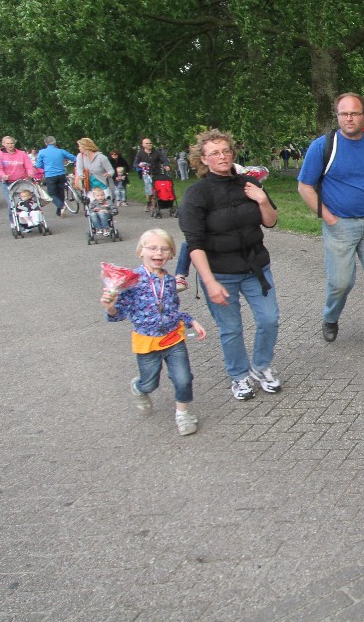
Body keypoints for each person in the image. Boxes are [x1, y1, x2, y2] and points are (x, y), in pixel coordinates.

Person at [180, 129, 282, 401]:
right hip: (220, 273)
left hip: (256, 267)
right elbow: (194, 244)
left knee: (269, 319)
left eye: (226, 151)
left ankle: (260, 366)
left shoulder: (249, 183)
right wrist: (209, 282)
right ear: (203, 159)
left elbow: (271, 221)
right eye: (215, 153)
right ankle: (238, 376)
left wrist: (262, 199)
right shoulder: (196, 194)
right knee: (231, 328)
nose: (222, 156)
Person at [297, 93, 364, 355]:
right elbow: (305, 186)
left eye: (354, 113)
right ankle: (330, 317)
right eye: (343, 114)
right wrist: (329, 218)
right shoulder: (323, 146)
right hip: (339, 226)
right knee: (341, 282)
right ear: (337, 116)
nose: (348, 118)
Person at [101, 228, 208, 436]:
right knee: (150, 382)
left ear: (171, 254)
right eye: (152, 248)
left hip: (173, 339)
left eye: (164, 249)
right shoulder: (130, 281)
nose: (158, 253)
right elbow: (118, 314)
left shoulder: (170, 281)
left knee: (184, 378)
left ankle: (182, 415)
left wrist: (191, 321)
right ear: (140, 251)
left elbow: (173, 310)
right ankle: (139, 388)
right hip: (147, 343)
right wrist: (110, 307)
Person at [0, 136, 37, 218]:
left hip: (22, 182)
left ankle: (28, 219)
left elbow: (29, 166)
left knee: (26, 201)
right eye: (8, 143)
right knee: (12, 204)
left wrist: (30, 173)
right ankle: (13, 221)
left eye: (12, 143)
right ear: (3, 144)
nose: (10, 145)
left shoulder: (22, 154)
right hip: (8, 183)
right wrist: (3, 175)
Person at [35, 136, 77, 217]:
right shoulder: (61, 151)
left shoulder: (42, 152)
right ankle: (59, 212)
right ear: (55, 142)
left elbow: (38, 165)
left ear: (45, 143)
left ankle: (61, 206)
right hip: (61, 174)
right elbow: (74, 158)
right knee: (61, 193)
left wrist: (46, 167)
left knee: (51, 193)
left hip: (50, 175)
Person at [131, 138, 170, 212]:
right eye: (147, 143)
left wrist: (166, 165)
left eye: (150, 143)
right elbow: (135, 164)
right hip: (147, 174)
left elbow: (164, 159)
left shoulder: (157, 152)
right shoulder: (140, 153)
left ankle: (155, 206)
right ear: (143, 145)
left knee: (157, 190)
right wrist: (140, 165)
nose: (149, 144)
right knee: (149, 191)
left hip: (157, 173)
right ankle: (148, 203)